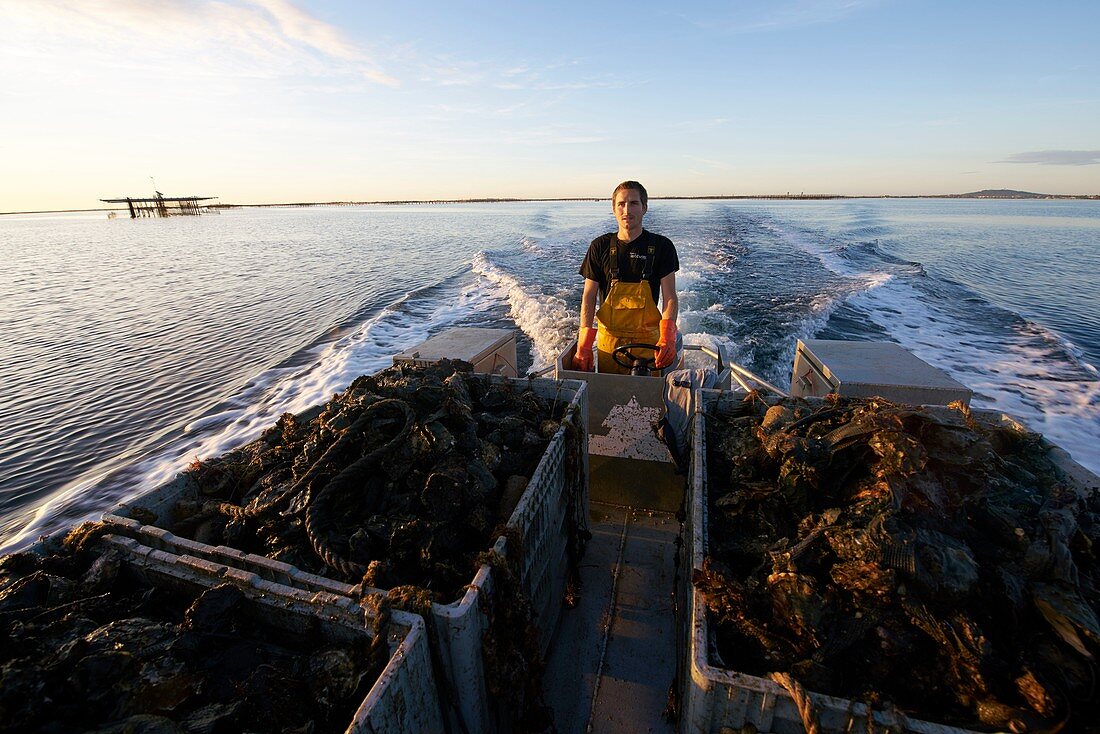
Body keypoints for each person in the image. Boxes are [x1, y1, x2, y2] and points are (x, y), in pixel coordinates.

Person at [574, 180, 679, 375]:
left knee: (649, 398)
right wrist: (585, 344)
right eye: (621, 204)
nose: (626, 210)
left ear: (644, 208)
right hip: (609, 344)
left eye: (634, 203)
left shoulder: (662, 247)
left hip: (648, 344)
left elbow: (670, 297)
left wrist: (668, 338)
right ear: (613, 208)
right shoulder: (599, 246)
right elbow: (588, 296)